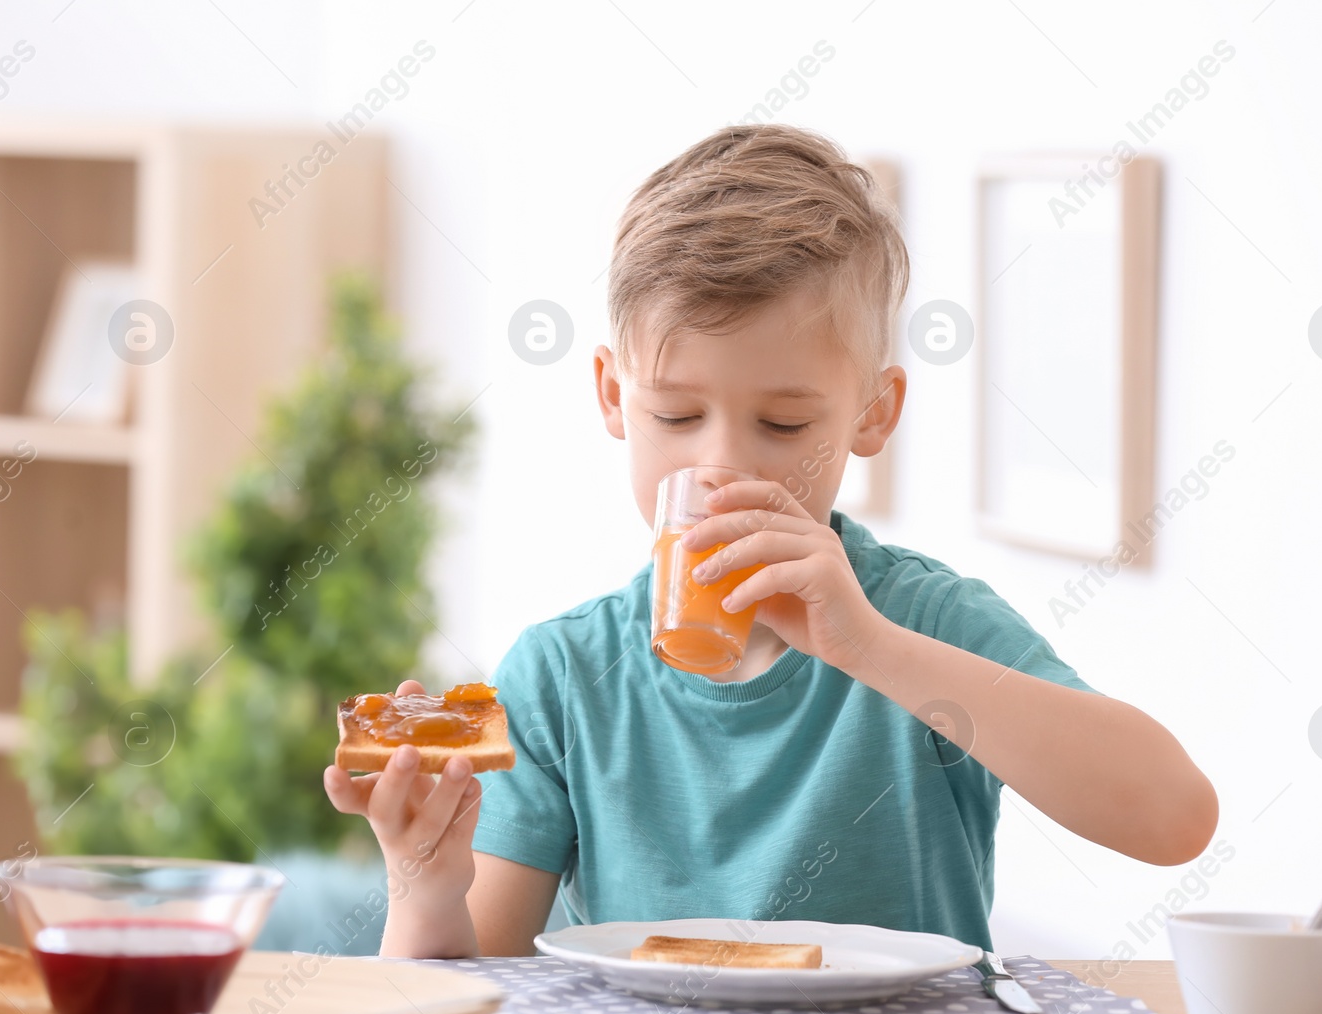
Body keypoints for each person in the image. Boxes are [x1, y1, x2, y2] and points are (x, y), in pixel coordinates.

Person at [324, 124, 1218, 958]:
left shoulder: (921, 622)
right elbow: (474, 1002)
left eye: (784, 424)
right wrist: (423, 884)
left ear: (873, 413)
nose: (722, 466)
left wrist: (871, 646)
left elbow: (1175, 818)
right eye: (676, 413)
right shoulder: (562, 677)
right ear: (611, 396)